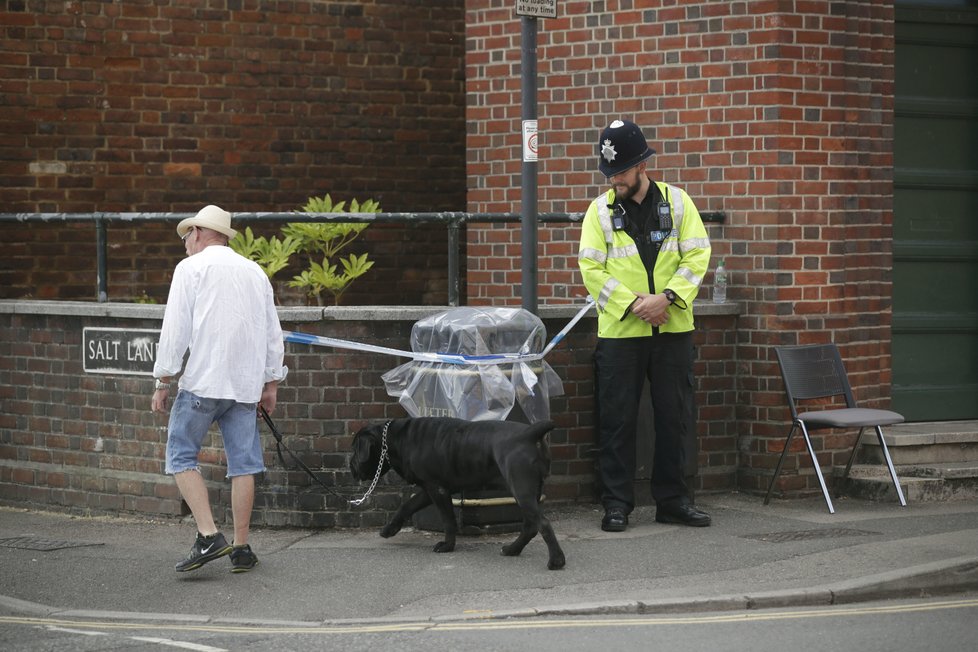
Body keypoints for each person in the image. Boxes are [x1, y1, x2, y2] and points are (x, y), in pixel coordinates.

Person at [578, 119, 712, 532]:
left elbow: (697, 256)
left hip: (671, 329)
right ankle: (616, 503)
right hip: (622, 333)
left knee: (674, 417)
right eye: (609, 173)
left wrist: (667, 299)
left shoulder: (679, 203)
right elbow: (590, 268)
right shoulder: (598, 212)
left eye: (620, 172)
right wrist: (635, 303)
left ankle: (672, 500)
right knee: (617, 421)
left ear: (641, 166)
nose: (613, 180)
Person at [151, 205, 288, 572]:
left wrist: (164, 379)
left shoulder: (190, 269)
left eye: (186, 237)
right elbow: (272, 333)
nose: (184, 245)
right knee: (243, 464)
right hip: (244, 386)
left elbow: (175, 329)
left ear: (197, 233)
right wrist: (270, 382)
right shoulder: (255, 272)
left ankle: (209, 535)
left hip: (202, 382)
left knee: (181, 456)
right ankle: (242, 547)